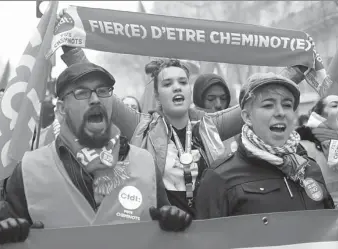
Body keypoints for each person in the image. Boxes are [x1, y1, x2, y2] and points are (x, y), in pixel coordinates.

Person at [0, 63, 192, 245]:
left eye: (103, 90)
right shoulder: (29, 169)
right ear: (62, 108)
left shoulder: (145, 163)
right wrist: (6, 235)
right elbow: (8, 230)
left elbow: (162, 233)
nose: (96, 99)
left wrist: (173, 224)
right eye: (82, 92)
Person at [60, 46, 245, 218]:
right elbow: (101, 91)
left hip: (211, 228)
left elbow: (253, 105)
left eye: (183, 82)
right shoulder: (141, 125)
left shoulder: (211, 124)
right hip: (161, 231)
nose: (177, 87)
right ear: (157, 95)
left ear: (189, 90)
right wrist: (72, 49)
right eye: (167, 84)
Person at [196, 72, 338, 219]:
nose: (280, 112)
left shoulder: (310, 168)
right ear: (247, 117)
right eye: (268, 105)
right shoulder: (219, 178)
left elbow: (325, 233)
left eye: (287, 105)